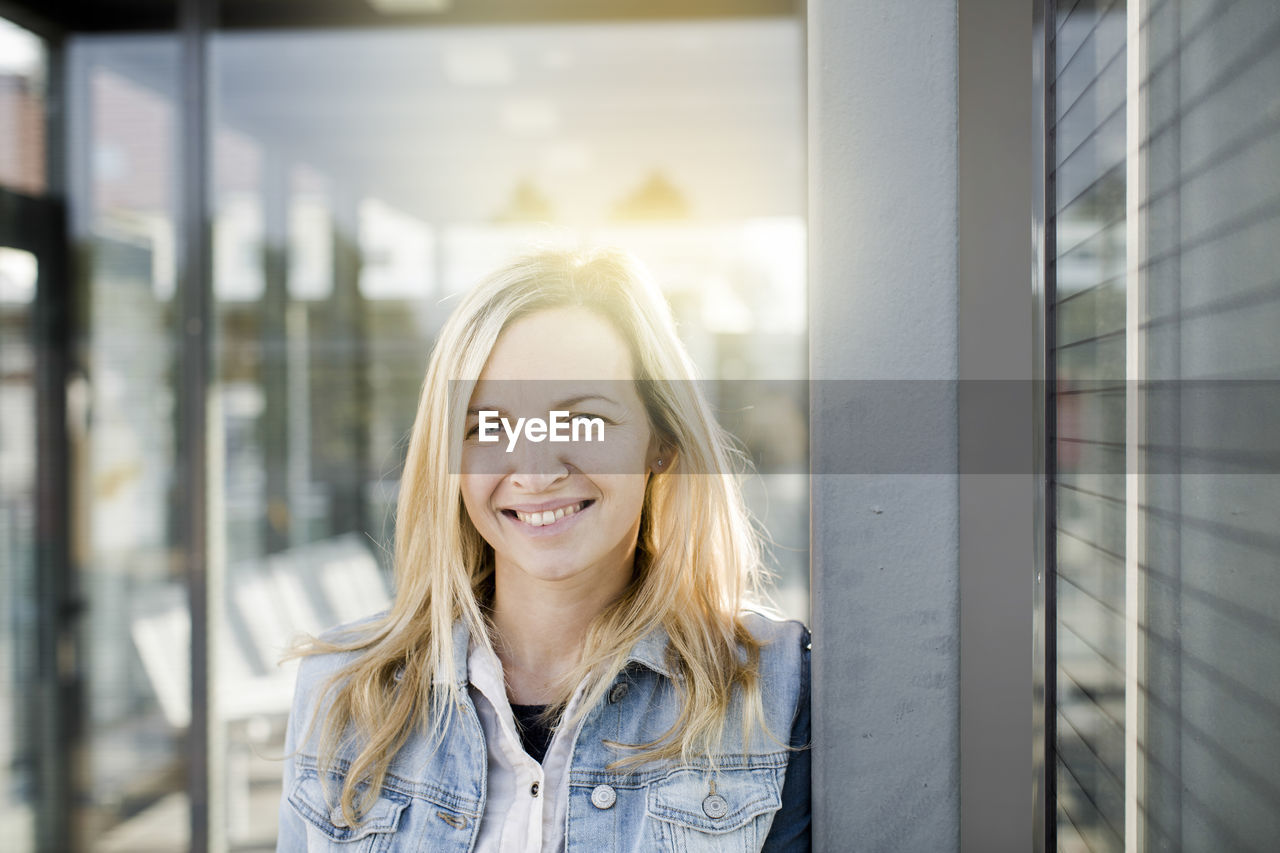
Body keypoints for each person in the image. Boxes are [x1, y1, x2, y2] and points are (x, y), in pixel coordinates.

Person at [277, 248, 810, 852]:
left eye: (582, 419)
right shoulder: (343, 695)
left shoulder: (774, 689)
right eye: (489, 427)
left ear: (660, 442)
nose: (533, 471)